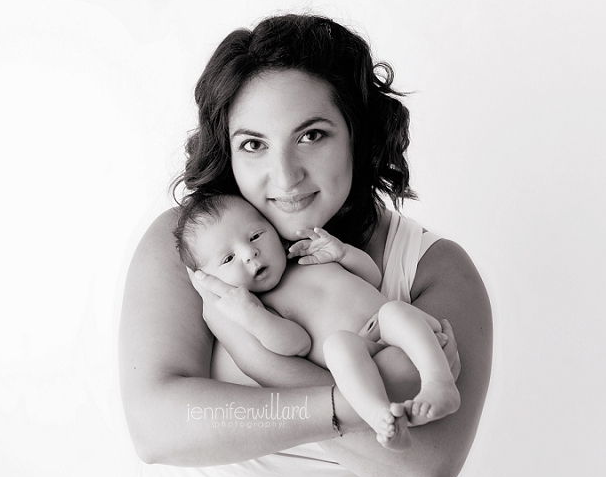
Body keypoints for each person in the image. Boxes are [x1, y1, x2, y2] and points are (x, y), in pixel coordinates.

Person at [119, 13, 492, 477]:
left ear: (357, 135)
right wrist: (346, 405)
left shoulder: (435, 268)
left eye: (312, 135)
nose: (286, 174)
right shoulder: (188, 246)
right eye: (254, 144)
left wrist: (262, 369)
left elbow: (427, 466)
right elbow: (157, 428)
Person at [173, 193, 461, 451]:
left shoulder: (308, 257)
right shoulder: (263, 307)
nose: (250, 253)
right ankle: (380, 416)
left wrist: (344, 254)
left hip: (392, 329)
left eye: (255, 236)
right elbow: (297, 343)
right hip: (365, 352)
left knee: (394, 311)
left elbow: (372, 280)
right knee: (338, 347)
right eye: (229, 258)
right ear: (210, 282)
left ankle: (439, 383)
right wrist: (254, 317)